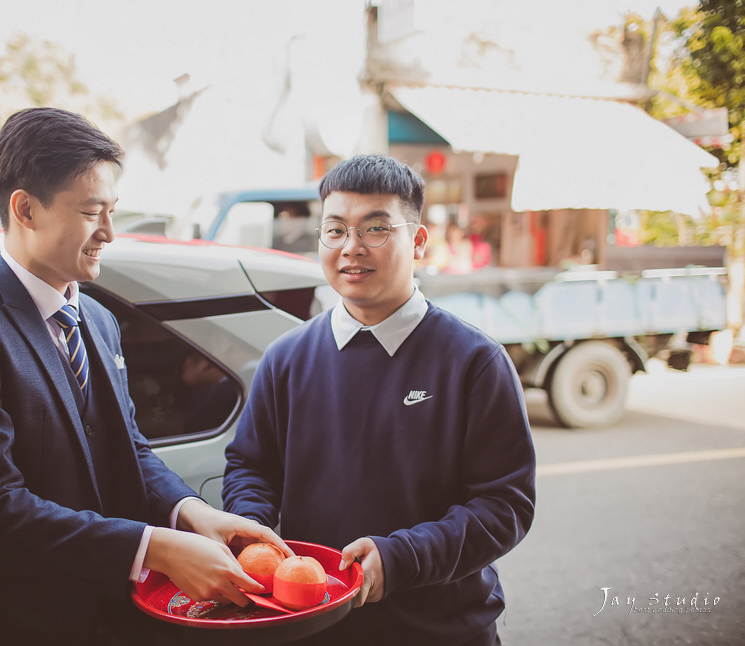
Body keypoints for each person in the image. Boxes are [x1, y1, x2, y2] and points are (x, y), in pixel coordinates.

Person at [0, 107, 290, 646]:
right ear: (26, 209)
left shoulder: (100, 321)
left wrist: (195, 514)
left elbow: (126, 448)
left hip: (95, 614)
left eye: (112, 210)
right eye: (92, 212)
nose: (109, 232)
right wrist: (154, 548)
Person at [223, 154, 536, 645]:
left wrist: (401, 557)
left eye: (375, 229)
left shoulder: (474, 361)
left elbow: (504, 505)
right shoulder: (286, 357)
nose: (351, 248)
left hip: (440, 629)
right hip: (311, 623)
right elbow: (250, 465)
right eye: (335, 230)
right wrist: (252, 528)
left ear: (417, 240)